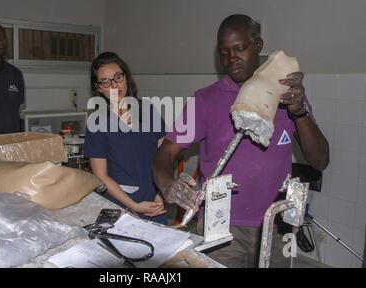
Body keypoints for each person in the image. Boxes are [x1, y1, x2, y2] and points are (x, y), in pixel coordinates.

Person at [154, 14, 330, 267]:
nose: (231, 58)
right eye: (224, 53)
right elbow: (166, 152)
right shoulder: (205, 100)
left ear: (258, 45)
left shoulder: (286, 95)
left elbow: (320, 160)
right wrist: (166, 183)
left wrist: (299, 111)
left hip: (275, 225)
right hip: (220, 226)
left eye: (239, 48)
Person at [84, 51, 167, 224]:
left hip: (155, 201)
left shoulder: (148, 111)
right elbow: (101, 176)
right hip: (120, 205)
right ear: (98, 88)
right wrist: (133, 206)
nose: (114, 85)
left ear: (126, 78)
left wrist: (162, 192)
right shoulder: (97, 122)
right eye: (105, 81)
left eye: (117, 77)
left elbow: (165, 156)